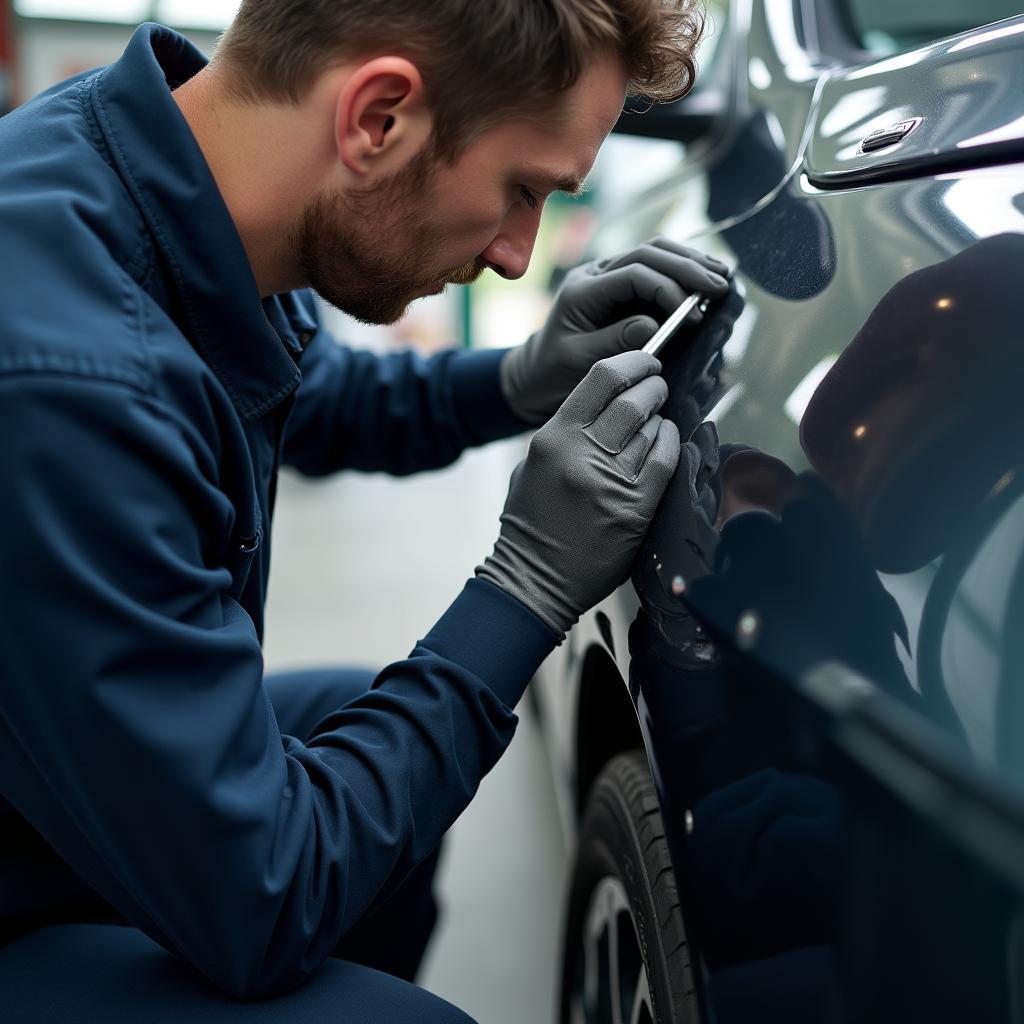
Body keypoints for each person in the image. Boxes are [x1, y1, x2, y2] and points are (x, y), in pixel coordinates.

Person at [0, 2, 731, 1020]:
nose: (520, 255)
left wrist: (517, 378)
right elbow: (265, 896)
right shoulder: (66, 380)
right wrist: (525, 583)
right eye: (521, 189)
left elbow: (321, 395)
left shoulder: (168, 170)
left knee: (357, 726)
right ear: (378, 118)